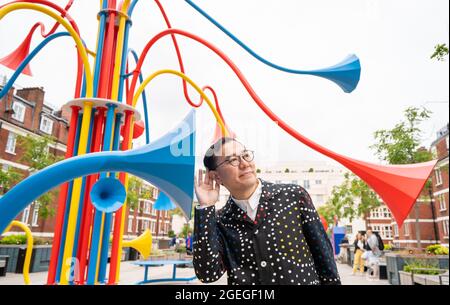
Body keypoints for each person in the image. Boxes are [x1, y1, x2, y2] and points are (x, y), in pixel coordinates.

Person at [193, 137, 341, 285]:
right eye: (233, 160)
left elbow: (325, 260)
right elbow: (208, 274)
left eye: (245, 155)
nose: (245, 164)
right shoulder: (219, 220)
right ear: (216, 176)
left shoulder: (293, 196)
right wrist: (206, 208)